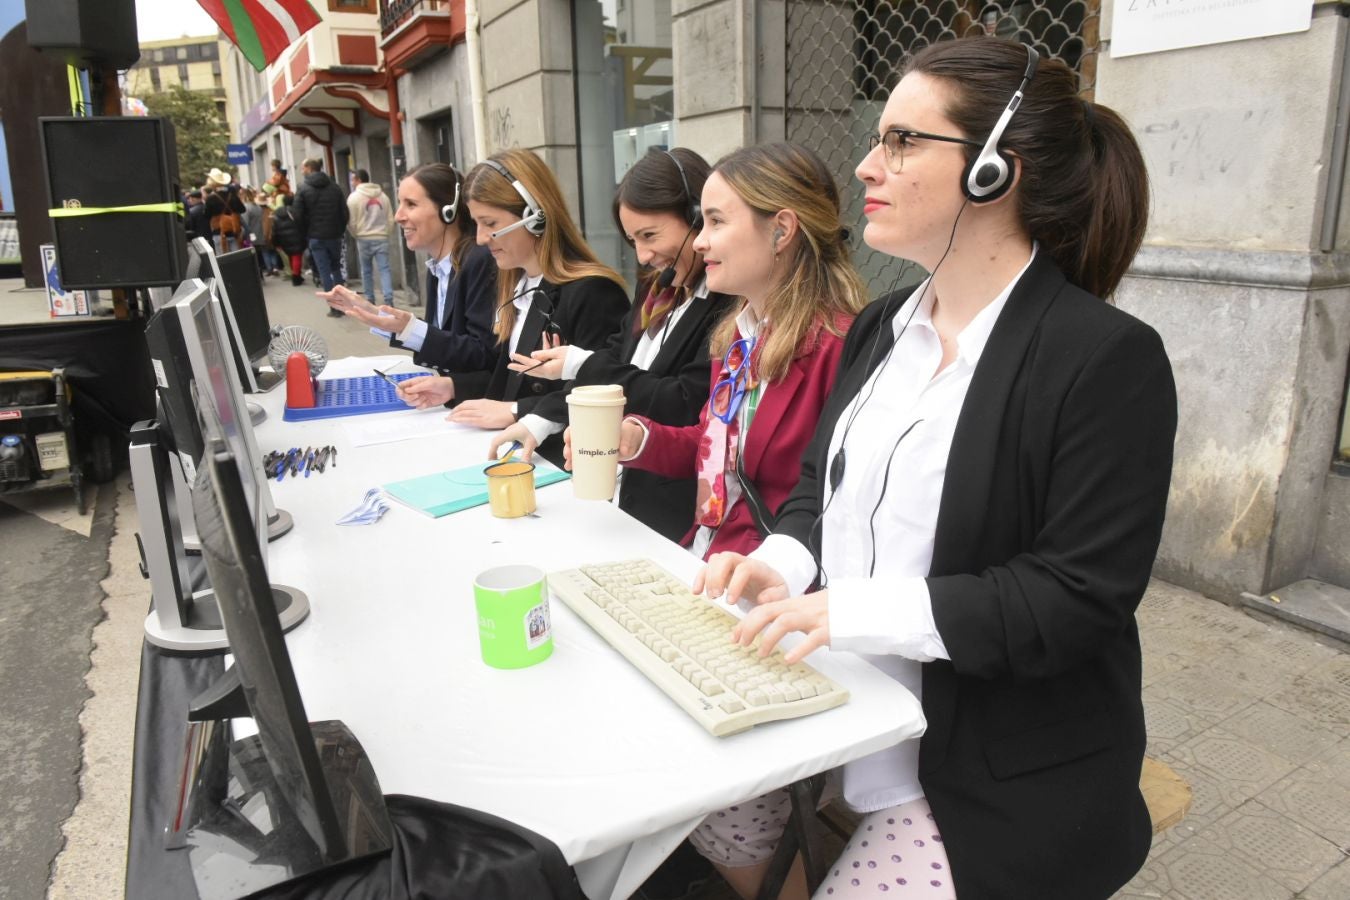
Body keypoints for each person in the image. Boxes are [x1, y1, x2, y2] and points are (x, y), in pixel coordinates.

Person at [696, 37, 1175, 900]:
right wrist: (777, 565)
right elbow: (818, 491)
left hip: (995, 758)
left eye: (904, 141)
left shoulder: (1105, 358)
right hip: (845, 701)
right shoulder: (880, 328)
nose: (868, 163)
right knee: (709, 810)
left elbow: (1076, 596)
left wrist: (853, 611)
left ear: (996, 170)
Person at [576, 142, 866, 563]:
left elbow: (833, 503)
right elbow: (716, 449)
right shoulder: (738, 335)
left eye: (715, 222)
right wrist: (639, 438)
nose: (699, 242)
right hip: (706, 555)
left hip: (761, 586)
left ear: (781, 230)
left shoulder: (839, 348)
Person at [484, 147, 738, 542]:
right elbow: (616, 357)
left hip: (669, 515)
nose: (643, 254)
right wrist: (541, 418)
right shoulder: (657, 285)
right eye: (633, 239)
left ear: (696, 220)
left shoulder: (728, 302)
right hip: (621, 495)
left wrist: (578, 365)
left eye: (650, 235)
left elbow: (685, 401)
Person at [397, 149, 629, 435]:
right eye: (477, 223)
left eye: (490, 223)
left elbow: (605, 389)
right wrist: (454, 387)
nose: (481, 239)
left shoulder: (592, 292)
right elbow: (509, 376)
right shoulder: (514, 283)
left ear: (534, 216)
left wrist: (516, 410)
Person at [323, 163, 498, 378]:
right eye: (399, 203)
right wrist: (373, 313)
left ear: (448, 211)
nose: (398, 216)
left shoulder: (479, 261)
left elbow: (483, 354)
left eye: (411, 204)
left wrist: (410, 328)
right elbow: (443, 338)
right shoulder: (439, 267)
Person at [291, 157, 349, 295]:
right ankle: (342, 301)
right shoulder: (335, 187)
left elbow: (297, 215)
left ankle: (334, 306)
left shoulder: (303, 189)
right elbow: (344, 212)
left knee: (324, 270)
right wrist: (339, 230)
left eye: (303, 168)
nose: (302, 170)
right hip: (334, 235)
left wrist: (306, 233)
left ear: (310, 168)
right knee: (336, 268)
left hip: (315, 236)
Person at [346, 168, 395, 306]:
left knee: (366, 270)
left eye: (353, 179)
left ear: (359, 180)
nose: (352, 182)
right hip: (381, 237)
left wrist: (356, 234)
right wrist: (387, 232)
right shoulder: (383, 196)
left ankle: (370, 298)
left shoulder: (353, 198)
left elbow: (351, 221)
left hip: (363, 238)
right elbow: (390, 218)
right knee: (384, 269)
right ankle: (388, 299)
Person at [270, 194, 307, 286]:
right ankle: (296, 278)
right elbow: (302, 224)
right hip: (296, 238)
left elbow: (274, 230)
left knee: (291, 257)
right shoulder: (295, 211)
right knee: (297, 257)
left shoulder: (277, 213)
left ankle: (297, 274)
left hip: (284, 239)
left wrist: (276, 243)